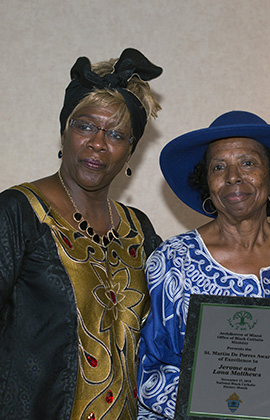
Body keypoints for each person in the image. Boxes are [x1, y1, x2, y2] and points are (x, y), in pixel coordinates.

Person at [136, 110, 270, 420]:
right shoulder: (171, 260)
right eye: (219, 167)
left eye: (247, 163)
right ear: (207, 184)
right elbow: (151, 371)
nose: (232, 177)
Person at [0, 48, 163, 419]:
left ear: (130, 152)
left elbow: (172, 330)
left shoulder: (141, 231)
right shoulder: (18, 213)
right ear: (64, 131)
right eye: (85, 125)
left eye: (117, 134)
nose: (98, 143)